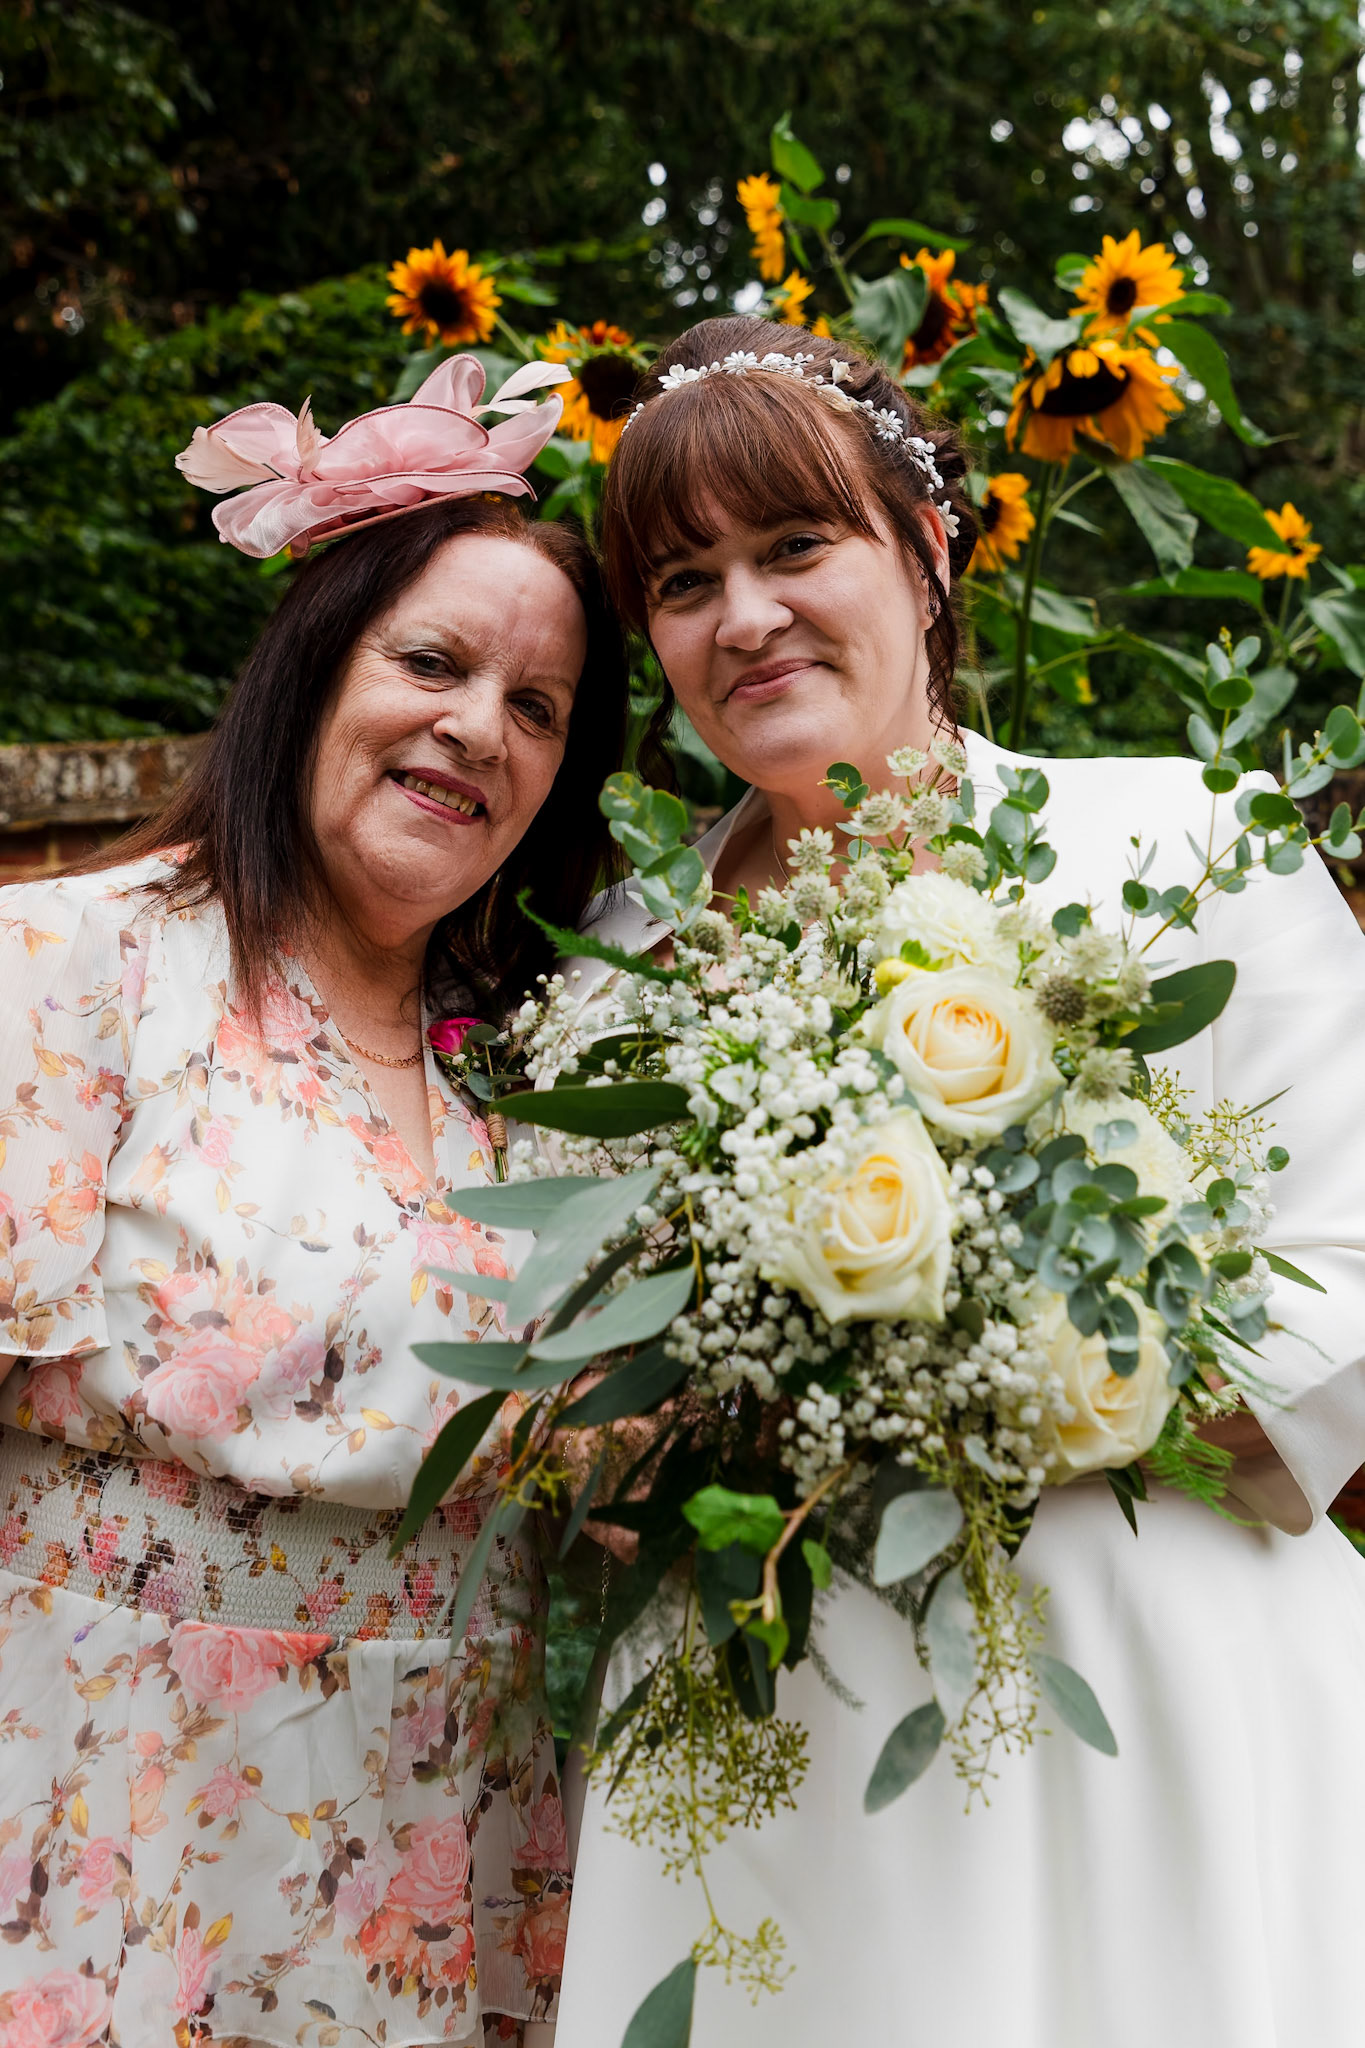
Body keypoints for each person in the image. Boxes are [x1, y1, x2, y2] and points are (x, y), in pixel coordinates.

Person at [553, 315, 1365, 2047]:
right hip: (770, 1709)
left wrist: (998, 1381)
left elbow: (1343, 1280)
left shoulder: (1183, 849)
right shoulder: (619, 960)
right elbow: (562, 1358)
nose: (743, 616)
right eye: (684, 581)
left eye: (793, 545)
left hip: (1154, 1689)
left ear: (924, 555)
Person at [0, 357, 629, 2048]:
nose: (476, 729)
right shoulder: (73, 970)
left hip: (449, 1874)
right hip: (107, 1851)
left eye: (538, 707)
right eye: (430, 662)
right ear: (310, 671)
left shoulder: (541, 1080)